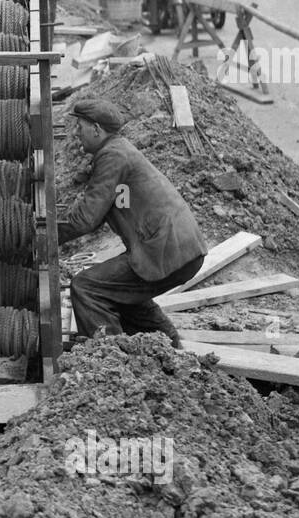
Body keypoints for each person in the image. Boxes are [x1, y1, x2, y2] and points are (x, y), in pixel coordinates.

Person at [59, 98, 208, 348]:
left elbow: (86, 219)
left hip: (165, 250)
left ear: (96, 129)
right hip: (180, 248)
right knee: (121, 293)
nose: (77, 133)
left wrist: (44, 235)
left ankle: (107, 359)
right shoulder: (118, 150)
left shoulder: (113, 156)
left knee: (86, 287)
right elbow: (100, 209)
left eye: (80, 127)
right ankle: (170, 348)